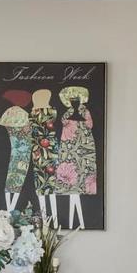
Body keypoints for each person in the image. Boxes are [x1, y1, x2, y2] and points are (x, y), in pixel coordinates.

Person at [56, 85, 99, 229]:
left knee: (79, 188)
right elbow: (65, 127)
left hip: (84, 151)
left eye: (76, 99)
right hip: (68, 152)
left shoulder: (85, 112)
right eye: (71, 99)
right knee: (71, 190)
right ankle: (73, 223)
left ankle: (79, 222)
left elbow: (89, 125)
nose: (74, 102)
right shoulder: (67, 114)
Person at [0, 89, 33, 211]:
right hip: (24, 152)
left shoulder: (8, 113)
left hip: (14, 151)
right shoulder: (24, 115)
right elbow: (28, 133)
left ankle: (9, 208)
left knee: (11, 177)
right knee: (19, 178)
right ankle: (11, 208)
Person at [29, 89, 60, 225]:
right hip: (51, 149)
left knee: (41, 185)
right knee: (52, 184)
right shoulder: (53, 112)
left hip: (37, 150)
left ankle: (46, 219)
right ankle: (55, 216)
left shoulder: (32, 114)